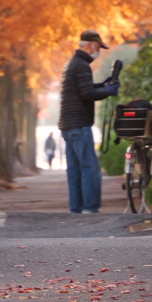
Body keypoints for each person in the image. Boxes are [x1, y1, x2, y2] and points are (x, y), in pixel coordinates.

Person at [58, 29, 120, 214]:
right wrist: (108, 91)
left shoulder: (72, 63)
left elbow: (83, 88)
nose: (98, 52)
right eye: (98, 48)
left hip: (68, 125)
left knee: (75, 169)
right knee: (90, 168)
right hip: (79, 124)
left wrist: (102, 85)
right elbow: (87, 94)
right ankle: (90, 207)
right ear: (91, 45)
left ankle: (76, 208)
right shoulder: (81, 65)